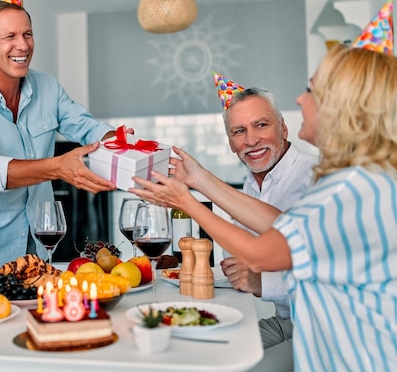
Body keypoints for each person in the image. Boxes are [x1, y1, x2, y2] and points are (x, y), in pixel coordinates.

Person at [130, 45, 397, 370]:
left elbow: (262, 252)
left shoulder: (348, 188)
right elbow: (279, 224)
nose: (300, 99)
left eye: (311, 90)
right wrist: (199, 180)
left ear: (342, 107)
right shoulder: (362, 178)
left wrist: (183, 201)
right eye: (239, 131)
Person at [0, 0, 125, 266]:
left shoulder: (47, 86)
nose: (24, 45)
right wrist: (56, 168)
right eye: (10, 36)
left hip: (43, 247)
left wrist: (124, 146)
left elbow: (85, 126)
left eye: (27, 34)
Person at [213, 78, 317, 354]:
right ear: (230, 142)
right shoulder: (251, 184)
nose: (251, 140)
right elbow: (237, 259)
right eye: (239, 131)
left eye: (261, 125)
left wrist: (262, 282)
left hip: (317, 328)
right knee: (207, 350)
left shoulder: (314, 177)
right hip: (285, 319)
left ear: (283, 127)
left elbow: (323, 275)